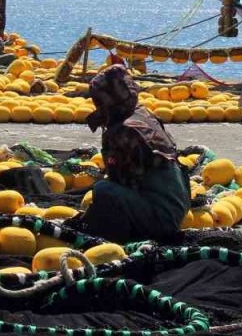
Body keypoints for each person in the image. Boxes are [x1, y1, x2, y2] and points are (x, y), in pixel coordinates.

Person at [76, 65, 190, 243]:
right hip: (178, 208)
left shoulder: (122, 132)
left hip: (163, 219)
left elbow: (122, 182)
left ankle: (120, 239)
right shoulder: (144, 114)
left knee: (103, 189)